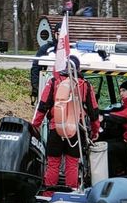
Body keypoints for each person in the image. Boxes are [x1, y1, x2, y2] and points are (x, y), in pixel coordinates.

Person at [31, 56, 99, 190]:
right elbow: (94, 111)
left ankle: (48, 193)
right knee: (72, 163)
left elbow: (42, 106)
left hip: (56, 127)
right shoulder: (85, 85)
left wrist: (34, 126)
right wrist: (95, 131)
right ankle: (71, 192)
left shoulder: (54, 82)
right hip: (76, 130)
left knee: (53, 163)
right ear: (78, 68)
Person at [100, 78, 127, 177]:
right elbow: (120, 112)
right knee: (107, 142)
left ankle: (112, 174)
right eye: (120, 91)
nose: (121, 93)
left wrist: (105, 117)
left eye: (124, 90)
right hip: (126, 137)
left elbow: (122, 116)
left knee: (106, 147)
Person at [29, 34, 56, 102]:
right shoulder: (45, 49)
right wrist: (35, 87)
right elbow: (35, 68)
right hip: (47, 82)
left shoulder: (72, 49)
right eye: (58, 34)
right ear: (55, 34)